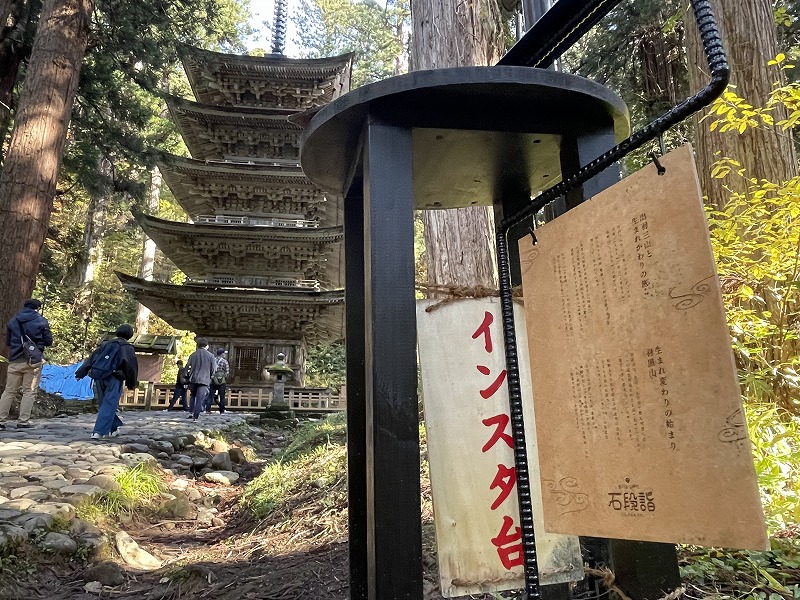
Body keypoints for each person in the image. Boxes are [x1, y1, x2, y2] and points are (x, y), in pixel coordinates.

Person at [76, 324, 138, 439]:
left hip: (99, 376)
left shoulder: (106, 344)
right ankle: (98, 432)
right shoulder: (127, 348)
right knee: (109, 404)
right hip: (114, 378)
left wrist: (81, 373)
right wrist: (131, 383)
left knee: (105, 404)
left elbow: (92, 358)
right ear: (130, 335)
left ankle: (114, 428)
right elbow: (130, 367)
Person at [0, 299, 53, 429]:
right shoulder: (41, 321)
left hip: (15, 359)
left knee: (9, 391)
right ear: (37, 308)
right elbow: (49, 341)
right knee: (29, 391)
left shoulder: (13, 321)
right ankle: (23, 421)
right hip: (32, 361)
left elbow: (8, 342)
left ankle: (1, 420)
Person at [185, 337, 215, 421]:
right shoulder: (211, 356)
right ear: (207, 346)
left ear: (197, 345)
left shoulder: (193, 355)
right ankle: (196, 416)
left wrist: (187, 376)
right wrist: (210, 376)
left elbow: (187, 366)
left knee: (193, 396)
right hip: (204, 379)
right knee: (200, 397)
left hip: (193, 378)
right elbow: (213, 369)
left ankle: (191, 412)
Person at [207, 348, 229, 414]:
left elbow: (209, 370)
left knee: (211, 396)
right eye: (224, 353)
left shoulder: (213, 361)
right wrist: (223, 378)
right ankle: (222, 410)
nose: (225, 354)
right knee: (222, 396)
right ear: (222, 354)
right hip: (222, 381)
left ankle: (208, 409)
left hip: (213, 380)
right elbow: (227, 373)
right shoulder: (225, 362)